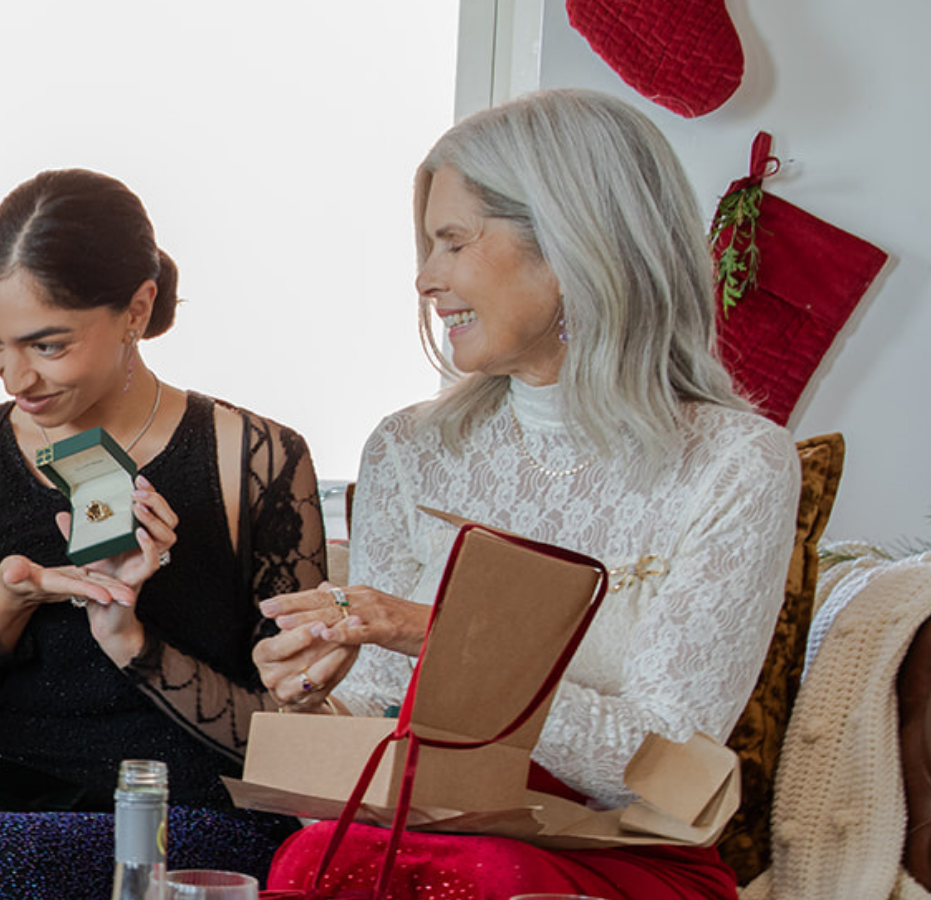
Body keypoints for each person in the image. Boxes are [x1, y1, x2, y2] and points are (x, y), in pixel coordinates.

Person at [252, 89, 799, 899]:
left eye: (453, 242)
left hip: (625, 857)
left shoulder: (735, 461)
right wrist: (312, 702)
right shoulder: (409, 449)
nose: (425, 277)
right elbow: (381, 723)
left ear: (573, 243)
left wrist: (435, 639)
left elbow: (660, 771)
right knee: (314, 856)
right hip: (438, 833)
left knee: (483, 875)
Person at [0, 169, 329, 896]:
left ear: (137, 308)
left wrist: (131, 642)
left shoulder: (253, 460)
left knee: (3, 870)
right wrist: (3, 611)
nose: (15, 377)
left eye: (46, 345)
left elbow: (294, 754)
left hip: (180, 821)